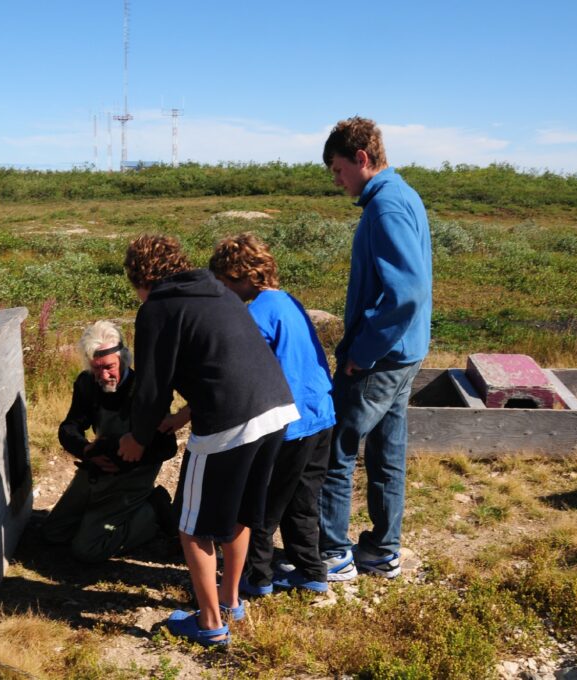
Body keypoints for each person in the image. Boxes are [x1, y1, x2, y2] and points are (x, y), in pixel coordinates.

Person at [118, 234, 298, 647]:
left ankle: (209, 623)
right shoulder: (216, 289)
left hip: (228, 422)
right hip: (277, 408)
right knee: (239, 515)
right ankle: (231, 601)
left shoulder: (158, 308)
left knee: (192, 526)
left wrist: (137, 437)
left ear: (141, 278)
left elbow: (151, 388)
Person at [318, 116, 432, 581]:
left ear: (362, 159)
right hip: (405, 352)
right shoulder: (402, 196)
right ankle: (383, 551)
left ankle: (331, 554)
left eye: (339, 170)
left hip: (381, 357)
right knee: (386, 453)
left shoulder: (385, 208)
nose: (337, 181)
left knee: (335, 449)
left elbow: (406, 291)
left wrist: (362, 350)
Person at [208, 233, 336, 595]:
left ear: (243, 275)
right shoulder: (289, 302)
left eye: (225, 282)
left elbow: (245, 370)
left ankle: (257, 576)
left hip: (287, 424)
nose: (224, 290)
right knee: (303, 500)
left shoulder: (257, 312)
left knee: (261, 503)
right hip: (321, 415)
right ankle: (310, 571)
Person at [41, 320, 178, 563]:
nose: (104, 375)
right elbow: (70, 427)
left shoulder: (146, 390)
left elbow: (166, 446)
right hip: (99, 465)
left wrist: (128, 462)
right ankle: (101, 516)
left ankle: (153, 511)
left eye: (109, 367)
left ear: (124, 358)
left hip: (135, 472)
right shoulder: (87, 383)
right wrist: (86, 449)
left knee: (87, 549)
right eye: (96, 368)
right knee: (53, 533)